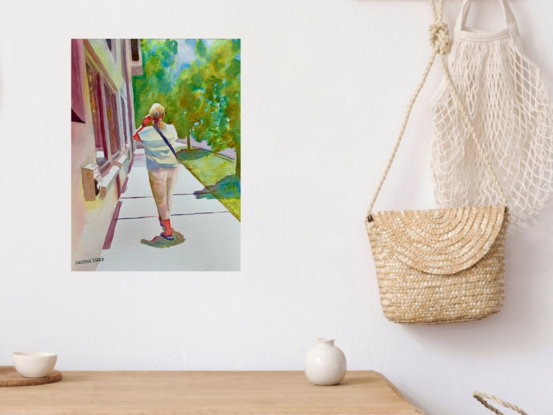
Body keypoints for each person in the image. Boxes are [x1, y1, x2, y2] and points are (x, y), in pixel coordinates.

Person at [133, 103, 180, 241]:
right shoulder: (171, 128)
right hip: (172, 166)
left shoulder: (146, 132)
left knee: (160, 200)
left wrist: (143, 124)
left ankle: (168, 230)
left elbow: (135, 137)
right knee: (168, 196)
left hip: (156, 169)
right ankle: (163, 217)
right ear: (163, 115)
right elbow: (173, 137)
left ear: (151, 116)